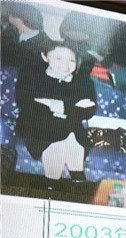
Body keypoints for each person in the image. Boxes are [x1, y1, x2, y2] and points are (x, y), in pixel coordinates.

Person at [14, 42, 97, 185]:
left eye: (71, 60)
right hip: (37, 127)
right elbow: (26, 103)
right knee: (62, 142)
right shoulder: (33, 77)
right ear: (45, 57)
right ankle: (74, 180)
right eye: (58, 58)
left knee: (69, 139)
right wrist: (70, 107)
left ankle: (58, 185)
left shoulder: (83, 82)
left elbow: (88, 111)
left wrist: (51, 103)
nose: (65, 65)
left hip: (71, 129)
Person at [1, 2, 54, 73]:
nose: (8, 16)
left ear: (20, 19)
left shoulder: (45, 46)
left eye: (11, 14)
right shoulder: (8, 33)